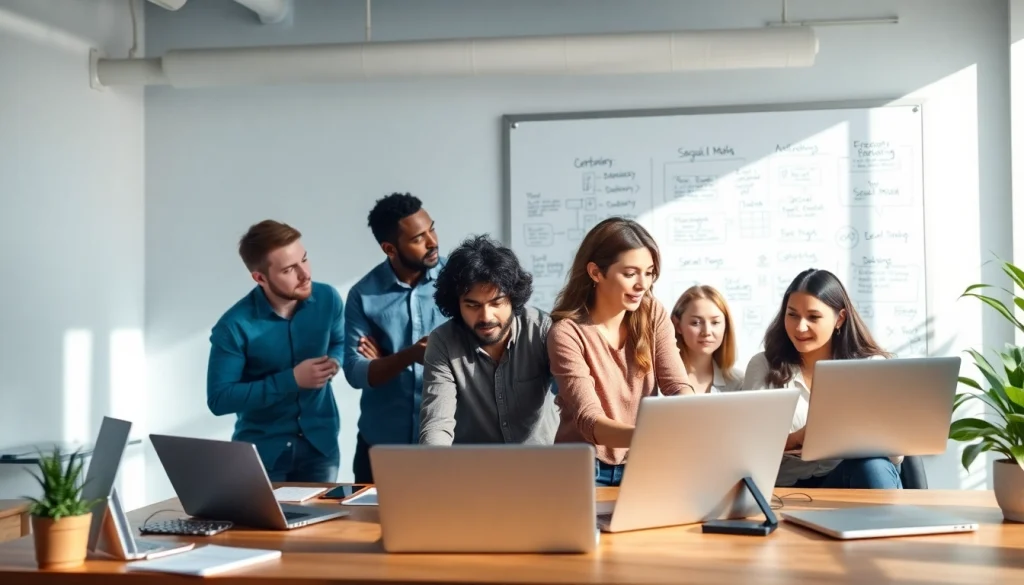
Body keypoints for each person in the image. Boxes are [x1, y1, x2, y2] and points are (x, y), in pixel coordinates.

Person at [547, 217, 694, 486]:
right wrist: (649, 436)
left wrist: (692, 415)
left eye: (649, 272)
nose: (643, 284)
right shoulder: (567, 333)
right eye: (630, 274)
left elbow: (677, 386)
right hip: (582, 467)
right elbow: (589, 420)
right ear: (596, 273)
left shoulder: (653, 313)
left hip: (641, 462)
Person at [206, 220, 344, 482]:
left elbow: (339, 341)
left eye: (304, 259)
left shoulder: (328, 299)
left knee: (326, 512)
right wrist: (292, 380)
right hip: (263, 454)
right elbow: (220, 399)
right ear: (260, 278)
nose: (305, 274)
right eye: (289, 269)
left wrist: (335, 362)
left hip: (321, 446)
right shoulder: (233, 326)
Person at [741, 268, 902, 489]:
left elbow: (896, 456)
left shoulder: (871, 366)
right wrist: (797, 439)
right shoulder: (763, 365)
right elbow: (748, 451)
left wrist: (856, 437)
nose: (800, 327)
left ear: (840, 319)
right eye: (792, 315)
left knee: (873, 466)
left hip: (849, 480)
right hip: (787, 487)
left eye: (813, 317)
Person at [342, 193, 448, 483]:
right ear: (390, 248)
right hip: (381, 449)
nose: (432, 242)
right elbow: (355, 372)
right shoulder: (363, 295)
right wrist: (407, 356)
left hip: (449, 447)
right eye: (418, 238)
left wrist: (385, 363)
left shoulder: (461, 281)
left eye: (432, 229)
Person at [419, 235, 558, 446]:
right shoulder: (443, 342)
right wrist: (435, 462)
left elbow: (573, 398)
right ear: (457, 305)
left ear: (513, 298)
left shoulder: (541, 329)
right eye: (472, 305)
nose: (486, 316)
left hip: (544, 462)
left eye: (497, 303)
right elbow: (436, 425)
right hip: (476, 465)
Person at [670, 285, 743, 393]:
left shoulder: (738, 383)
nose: (707, 332)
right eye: (695, 323)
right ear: (677, 325)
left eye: (715, 322)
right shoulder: (657, 380)